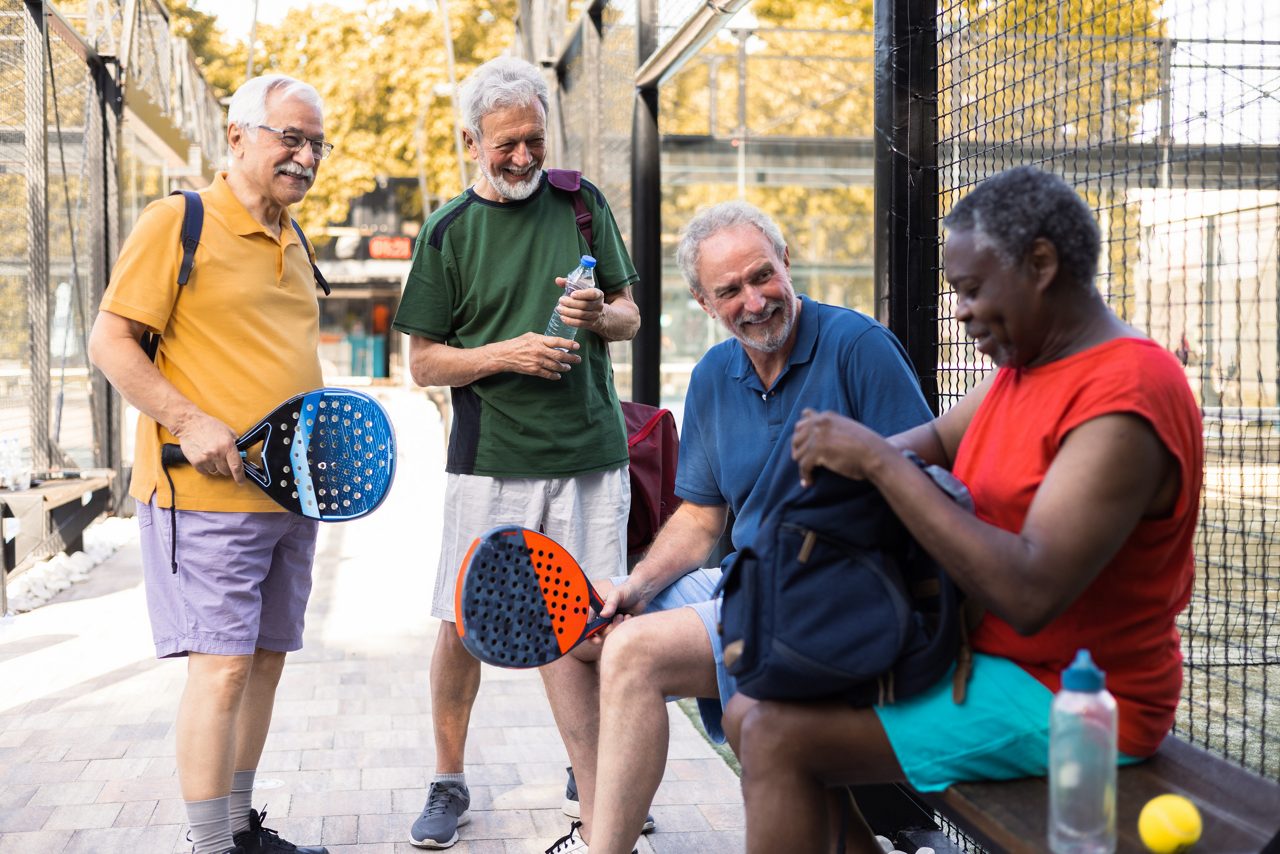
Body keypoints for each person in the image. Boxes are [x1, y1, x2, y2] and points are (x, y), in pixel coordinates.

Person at [725, 166, 1204, 853]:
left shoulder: (1126, 394)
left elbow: (1031, 590)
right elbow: (934, 442)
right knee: (749, 708)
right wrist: (839, 455)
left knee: (776, 735)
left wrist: (876, 461)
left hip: (1077, 698)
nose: (961, 311)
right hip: (982, 660)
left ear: (1041, 263)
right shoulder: (1025, 368)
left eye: (973, 290)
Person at [543, 200, 934, 854]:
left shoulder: (860, 349)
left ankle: (601, 850)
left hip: (837, 600)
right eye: (730, 290)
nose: (754, 302)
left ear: (788, 264)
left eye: (763, 277)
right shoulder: (712, 377)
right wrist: (634, 588)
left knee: (636, 654)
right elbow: (699, 518)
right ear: (703, 301)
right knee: (565, 611)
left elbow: (920, 486)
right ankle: (602, 818)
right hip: (745, 586)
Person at [390, 56, 641, 850]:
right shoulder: (447, 231)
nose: (525, 157)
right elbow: (424, 363)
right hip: (490, 459)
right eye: (507, 144)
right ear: (472, 142)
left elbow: (630, 318)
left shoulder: (582, 204)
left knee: (593, 622)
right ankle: (448, 778)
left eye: (535, 139)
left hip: (592, 455)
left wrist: (600, 314)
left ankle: (593, 775)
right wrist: (507, 354)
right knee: (465, 624)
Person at [87, 75, 334, 854]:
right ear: (238, 136)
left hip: (289, 498)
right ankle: (208, 846)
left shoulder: (295, 237)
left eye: (317, 144)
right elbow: (110, 341)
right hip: (204, 497)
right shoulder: (178, 221)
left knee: (263, 664)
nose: (305, 156)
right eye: (290, 138)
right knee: (220, 670)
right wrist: (188, 418)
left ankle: (237, 829)